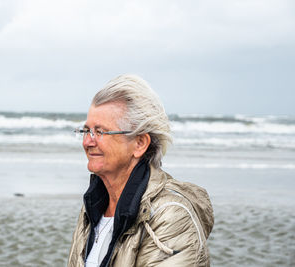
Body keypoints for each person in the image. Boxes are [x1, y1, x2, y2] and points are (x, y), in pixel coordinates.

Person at [68, 74, 214, 267]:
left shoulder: (171, 216)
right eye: (86, 131)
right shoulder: (92, 207)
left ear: (139, 143)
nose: (87, 142)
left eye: (100, 132)